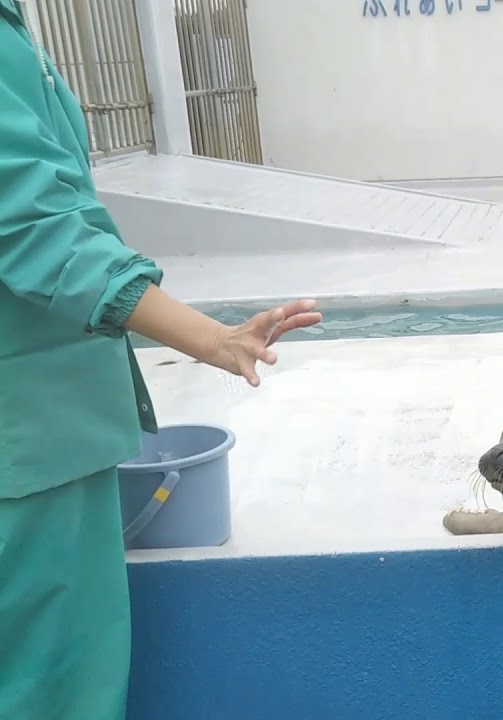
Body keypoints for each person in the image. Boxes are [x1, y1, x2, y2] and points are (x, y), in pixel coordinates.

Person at [0, 2, 322, 718]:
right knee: (48, 689)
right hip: (26, 445)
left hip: (46, 434)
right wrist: (211, 339)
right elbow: (34, 228)